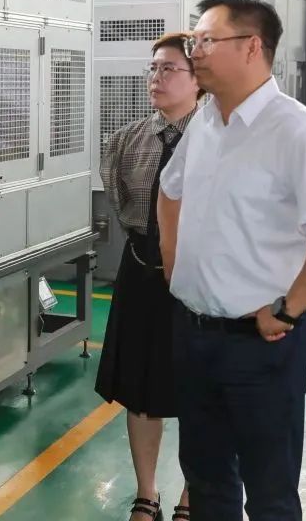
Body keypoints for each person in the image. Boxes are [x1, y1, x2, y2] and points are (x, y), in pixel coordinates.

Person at [157, 0, 306, 520]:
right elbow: (170, 190)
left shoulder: (296, 130)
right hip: (195, 335)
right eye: (194, 41)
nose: (195, 52)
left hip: (260, 344)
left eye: (207, 40)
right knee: (206, 481)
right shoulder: (206, 122)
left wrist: (290, 308)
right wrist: (174, 263)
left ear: (252, 46)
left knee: (270, 491)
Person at [96, 31, 201, 521]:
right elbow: (122, 204)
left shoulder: (217, 140)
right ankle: (147, 492)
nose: (157, 78)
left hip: (199, 276)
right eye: (153, 68)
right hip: (142, 271)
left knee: (199, 387)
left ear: (198, 80)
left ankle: (192, 495)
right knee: (140, 390)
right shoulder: (126, 141)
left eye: (169, 69)